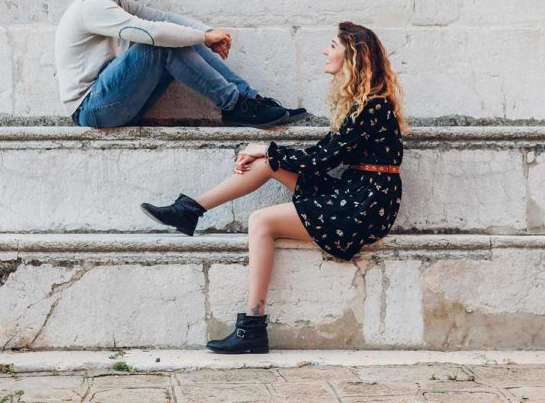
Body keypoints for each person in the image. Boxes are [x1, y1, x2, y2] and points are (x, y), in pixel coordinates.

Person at [140, 21, 407, 354]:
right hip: (353, 193)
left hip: (363, 207)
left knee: (261, 221)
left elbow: (323, 158)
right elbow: (320, 155)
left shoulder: (373, 106)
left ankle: (252, 326)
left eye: (333, 46)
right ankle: (190, 210)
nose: (326, 51)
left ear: (353, 55)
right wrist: (268, 152)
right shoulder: (363, 104)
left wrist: (267, 148)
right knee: (267, 163)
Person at [54, 0, 307, 128]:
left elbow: (163, 18)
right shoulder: (91, 6)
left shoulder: (115, 2)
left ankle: (250, 99)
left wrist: (206, 33)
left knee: (179, 35)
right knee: (161, 45)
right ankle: (235, 105)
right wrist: (205, 37)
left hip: (111, 102)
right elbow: (151, 33)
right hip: (91, 110)